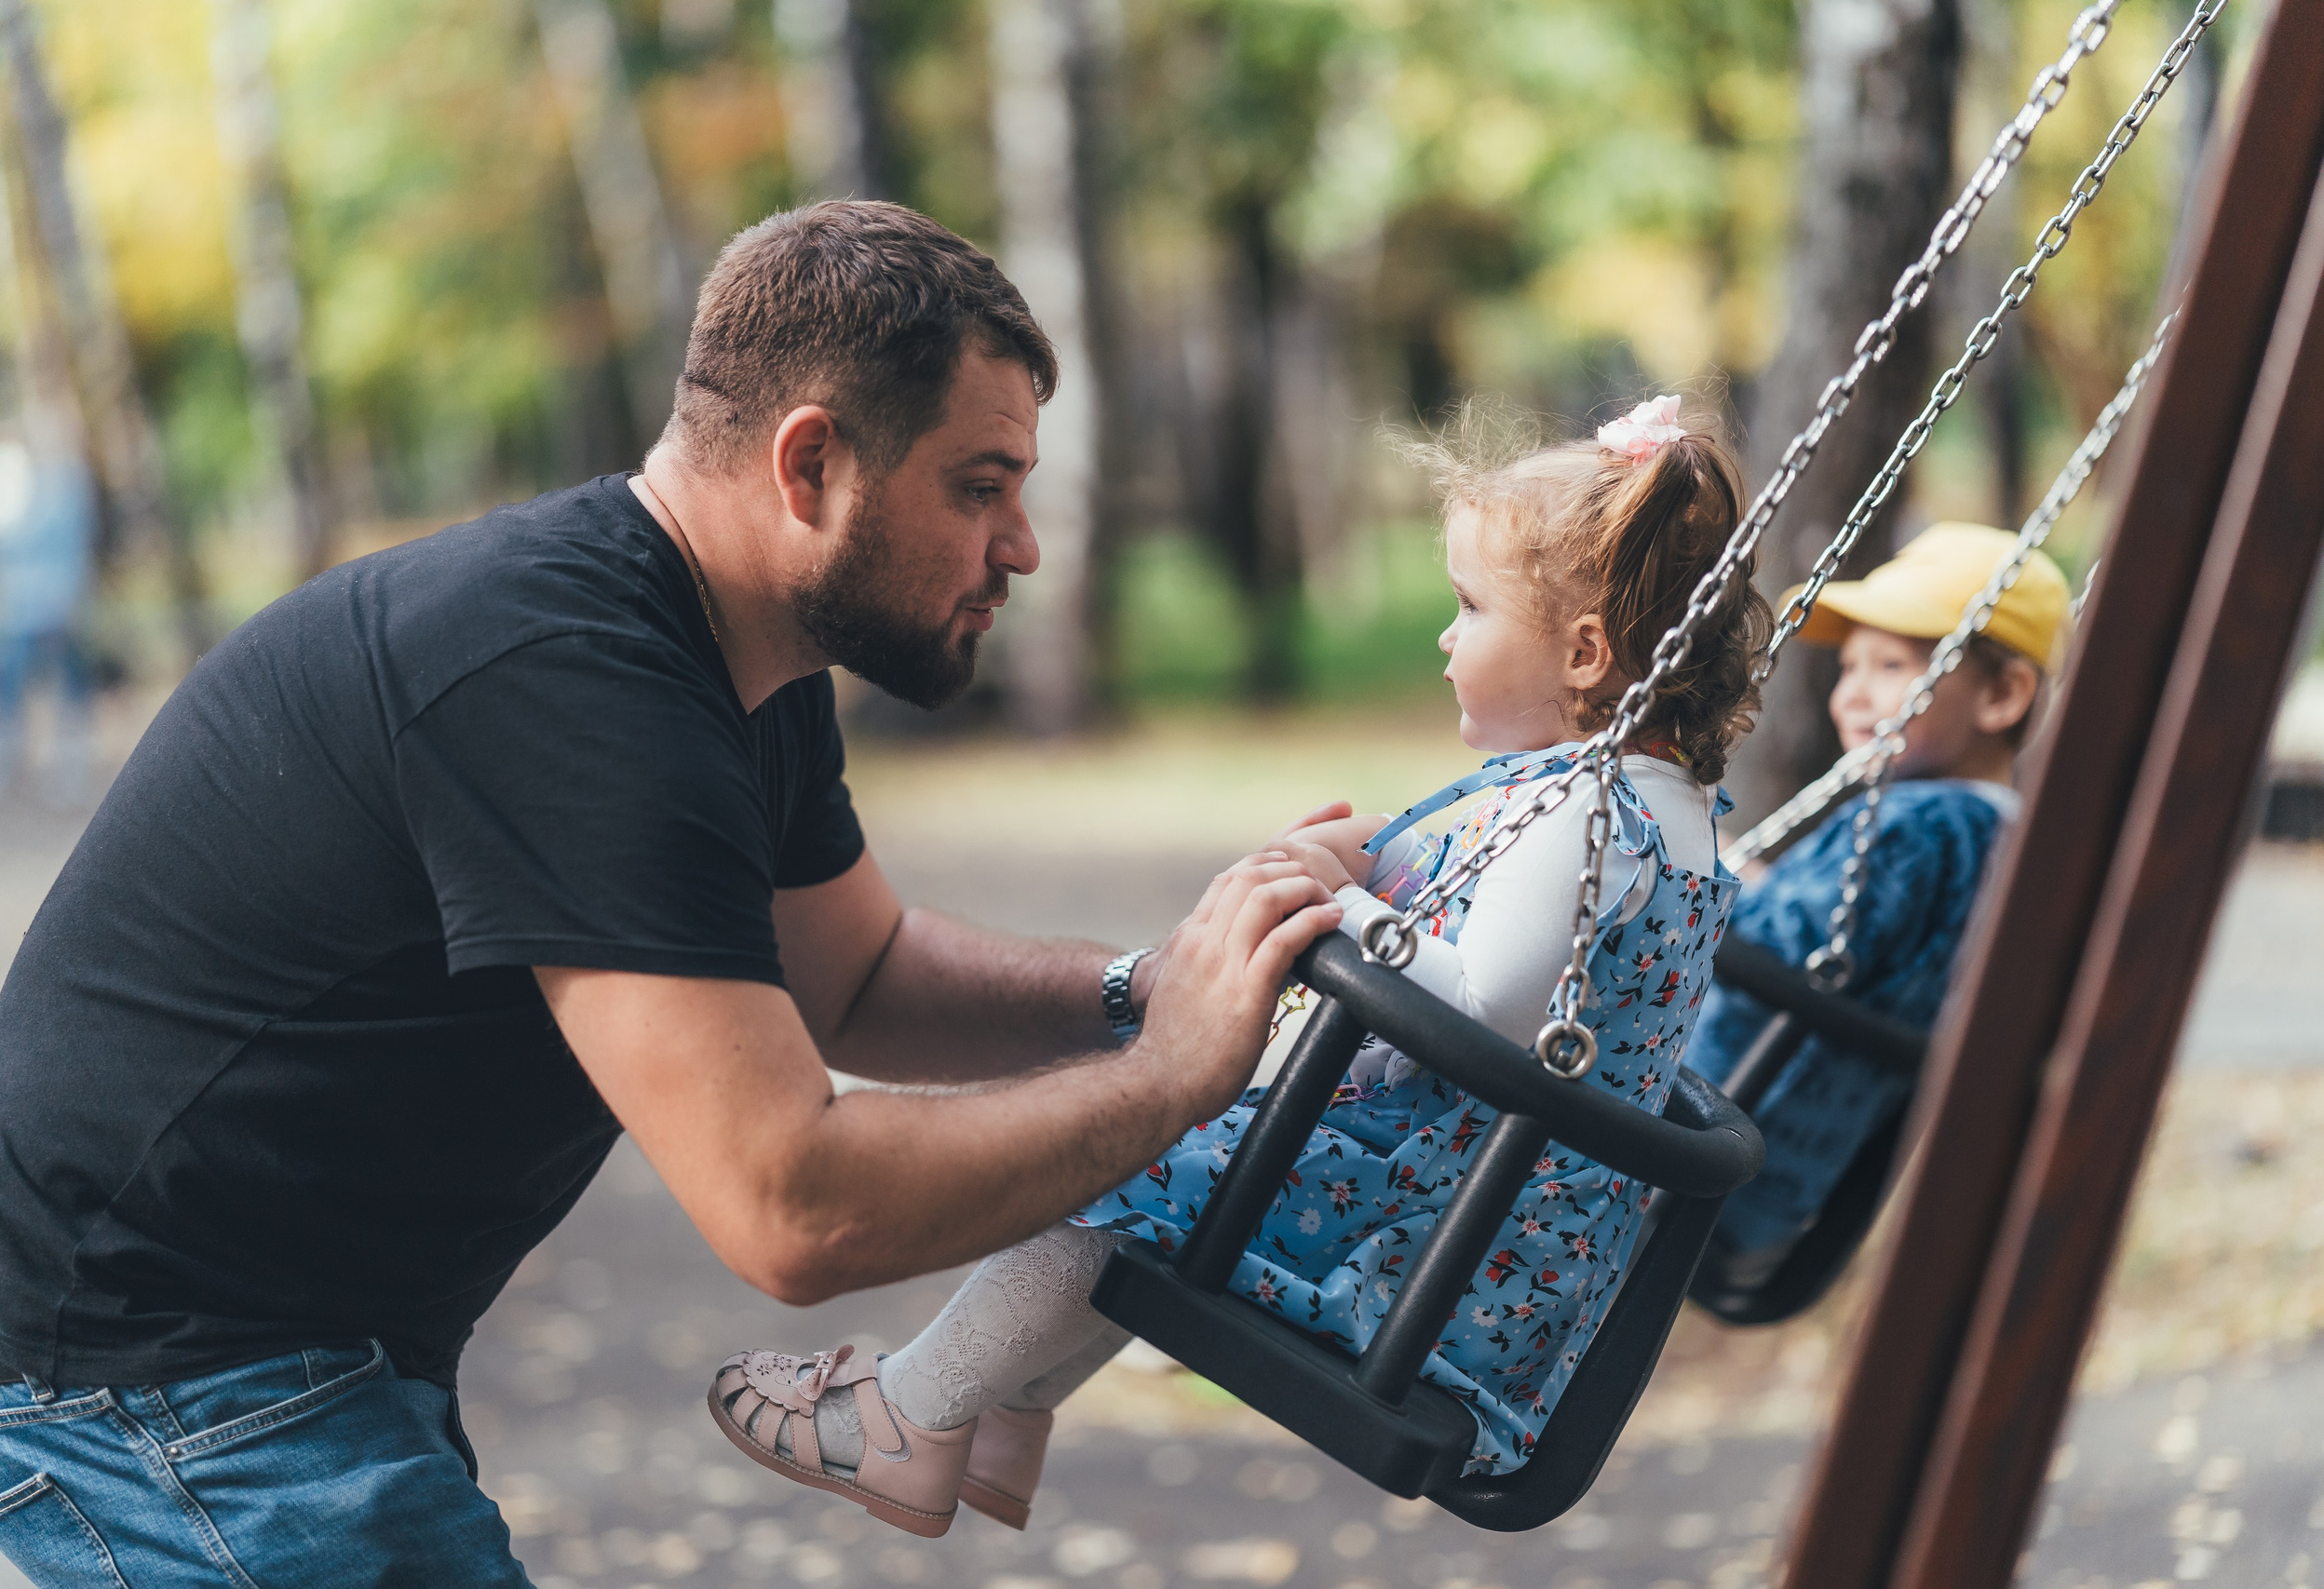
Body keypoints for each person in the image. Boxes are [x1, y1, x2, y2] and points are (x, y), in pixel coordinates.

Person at [0, 201, 1345, 1586]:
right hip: (146, 1368)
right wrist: (1170, 1074)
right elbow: (792, 1205)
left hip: (282, 1348)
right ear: (813, 465)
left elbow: (858, 979)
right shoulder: (571, 684)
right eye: (980, 486)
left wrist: (1147, 986)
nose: (1022, 544)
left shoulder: (741, 658)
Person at [709, 396, 1770, 1536]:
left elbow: (1491, 1012)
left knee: (1111, 1146)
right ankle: (1002, 1414)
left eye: (1470, 608)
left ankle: (909, 1416)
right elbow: (1455, 872)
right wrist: (1343, 857)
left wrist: (1339, 914)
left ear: (1585, 652)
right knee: (1171, 1163)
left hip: (1426, 1246)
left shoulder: (1583, 811)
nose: (1447, 638)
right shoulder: (1630, 804)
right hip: (1460, 1221)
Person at [1684, 520, 2064, 1279]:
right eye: (1848, 666)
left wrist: (1703, 879)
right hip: (1774, 1187)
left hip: (1688, 1143)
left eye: (1892, 665)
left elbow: (1776, 950)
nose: (1852, 695)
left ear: (2003, 695)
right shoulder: (1996, 839)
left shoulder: (1914, 826)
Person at [0, 407, 97, 811]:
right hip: (25, 606)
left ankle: (51, 769)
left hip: (36, 606)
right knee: (21, 687)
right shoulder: (44, 484)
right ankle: (24, 769)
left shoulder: (60, 486)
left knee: (38, 686)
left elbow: (63, 547)